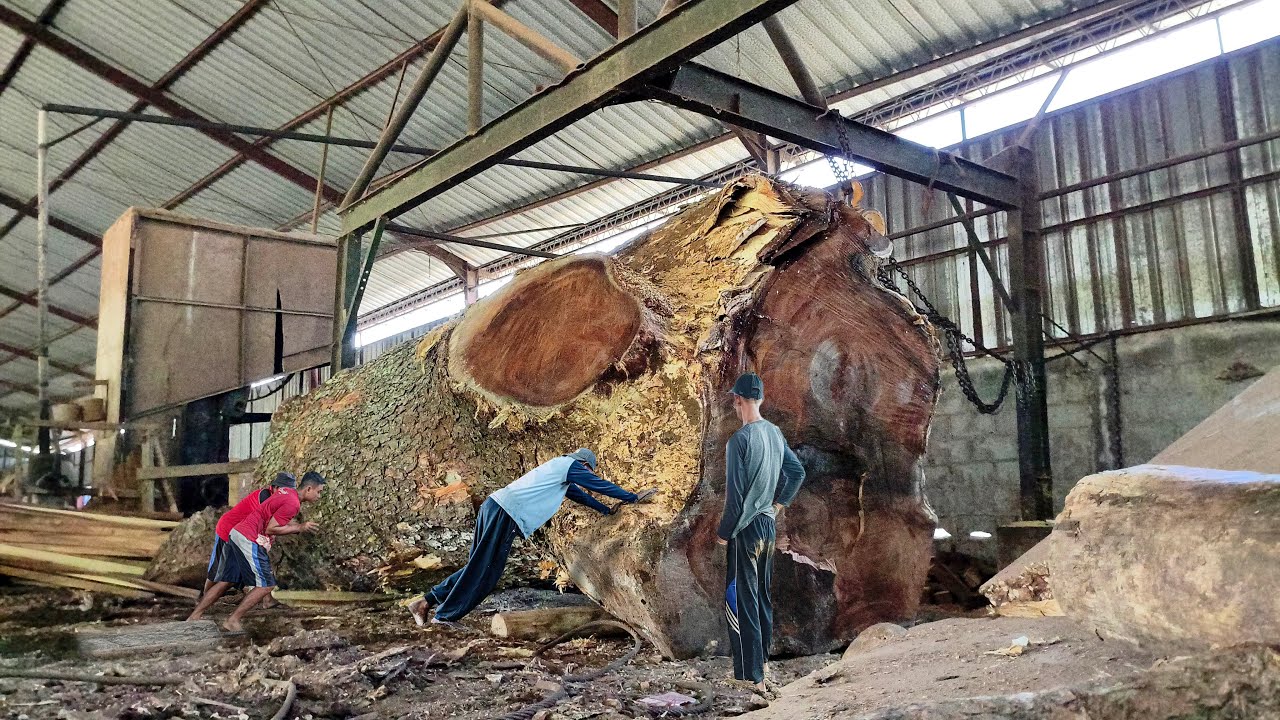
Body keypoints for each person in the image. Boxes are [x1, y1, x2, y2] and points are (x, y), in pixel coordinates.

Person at [407, 449, 656, 629]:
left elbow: (581, 496)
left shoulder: (558, 473)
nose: (585, 474)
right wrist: (631, 497)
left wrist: (605, 510)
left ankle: (426, 602)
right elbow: (596, 484)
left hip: (495, 507)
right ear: (584, 464)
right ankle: (445, 617)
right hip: (505, 512)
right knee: (487, 571)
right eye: (586, 470)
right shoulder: (568, 466)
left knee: (477, 565)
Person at [717, 372, 806, 694]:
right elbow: (797, 471)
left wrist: (725, 532)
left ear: (737, 400)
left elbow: (736, 497)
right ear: (762, 399)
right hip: (767, 525)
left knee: (740, 600)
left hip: (745, 529)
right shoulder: (774, 433)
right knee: (762, 599)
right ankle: (760, 667)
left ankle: (751, 676)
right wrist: (779, 504)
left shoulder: (739, 441)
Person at [187, 471, 327, 633]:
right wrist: (300, 527)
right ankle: (233, 620)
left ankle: (195, 616)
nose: (319, 496)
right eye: (319, 492)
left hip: (238, 533)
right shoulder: (292, 503)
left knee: (228, 580)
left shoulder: (286, 493)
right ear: (308, 489)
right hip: (248, 536)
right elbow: (271, 527)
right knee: (266, 585)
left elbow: (270, 518)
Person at [197, 472, 296, 607]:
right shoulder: (265, 496)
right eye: (283, 490)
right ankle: (204, 599)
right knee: (218, 569)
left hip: (245, 534)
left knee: (261, 564)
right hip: (228, 528)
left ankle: (267, 600)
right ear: (274, 487)